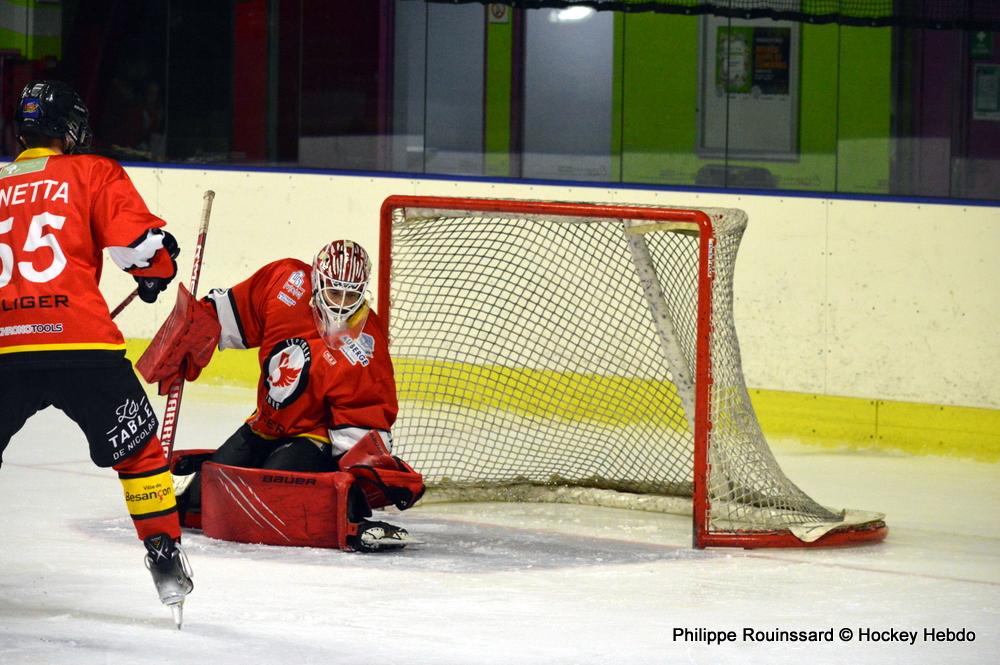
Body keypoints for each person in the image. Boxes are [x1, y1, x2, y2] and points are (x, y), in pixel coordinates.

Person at [0, 81, 193, 626]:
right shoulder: (92, 172)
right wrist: (158, 271)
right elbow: (143, 250)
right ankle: (164, 557)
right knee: (140, 452)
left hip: (5, 345)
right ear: (69, 129)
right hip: (80, 343)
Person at [139, 239, 424, 552]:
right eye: (334, 292)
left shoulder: (366, 345)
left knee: (271, 490)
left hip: (313, 436)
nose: (342, 305)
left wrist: (353, 487)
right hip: (264, 424)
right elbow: (230, 311)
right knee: (208, 494)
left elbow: (363, 415)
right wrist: (192, 330)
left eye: (351, 295)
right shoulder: (285, 282)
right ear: (317, 280)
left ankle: (338, 511)